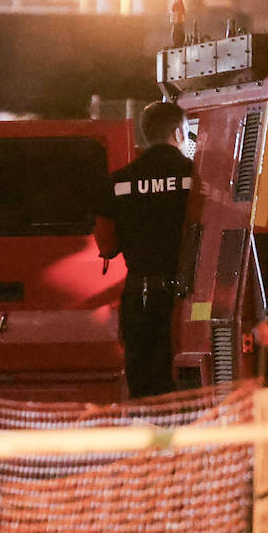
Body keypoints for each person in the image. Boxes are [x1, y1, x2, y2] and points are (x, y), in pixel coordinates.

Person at [93, 100, 193, 399]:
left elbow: (107, 245)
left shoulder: (119, 182)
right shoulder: (198, 177)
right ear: (178, 133)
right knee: (187, 385)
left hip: (142, 298)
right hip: (188, 300)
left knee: (145, 386)